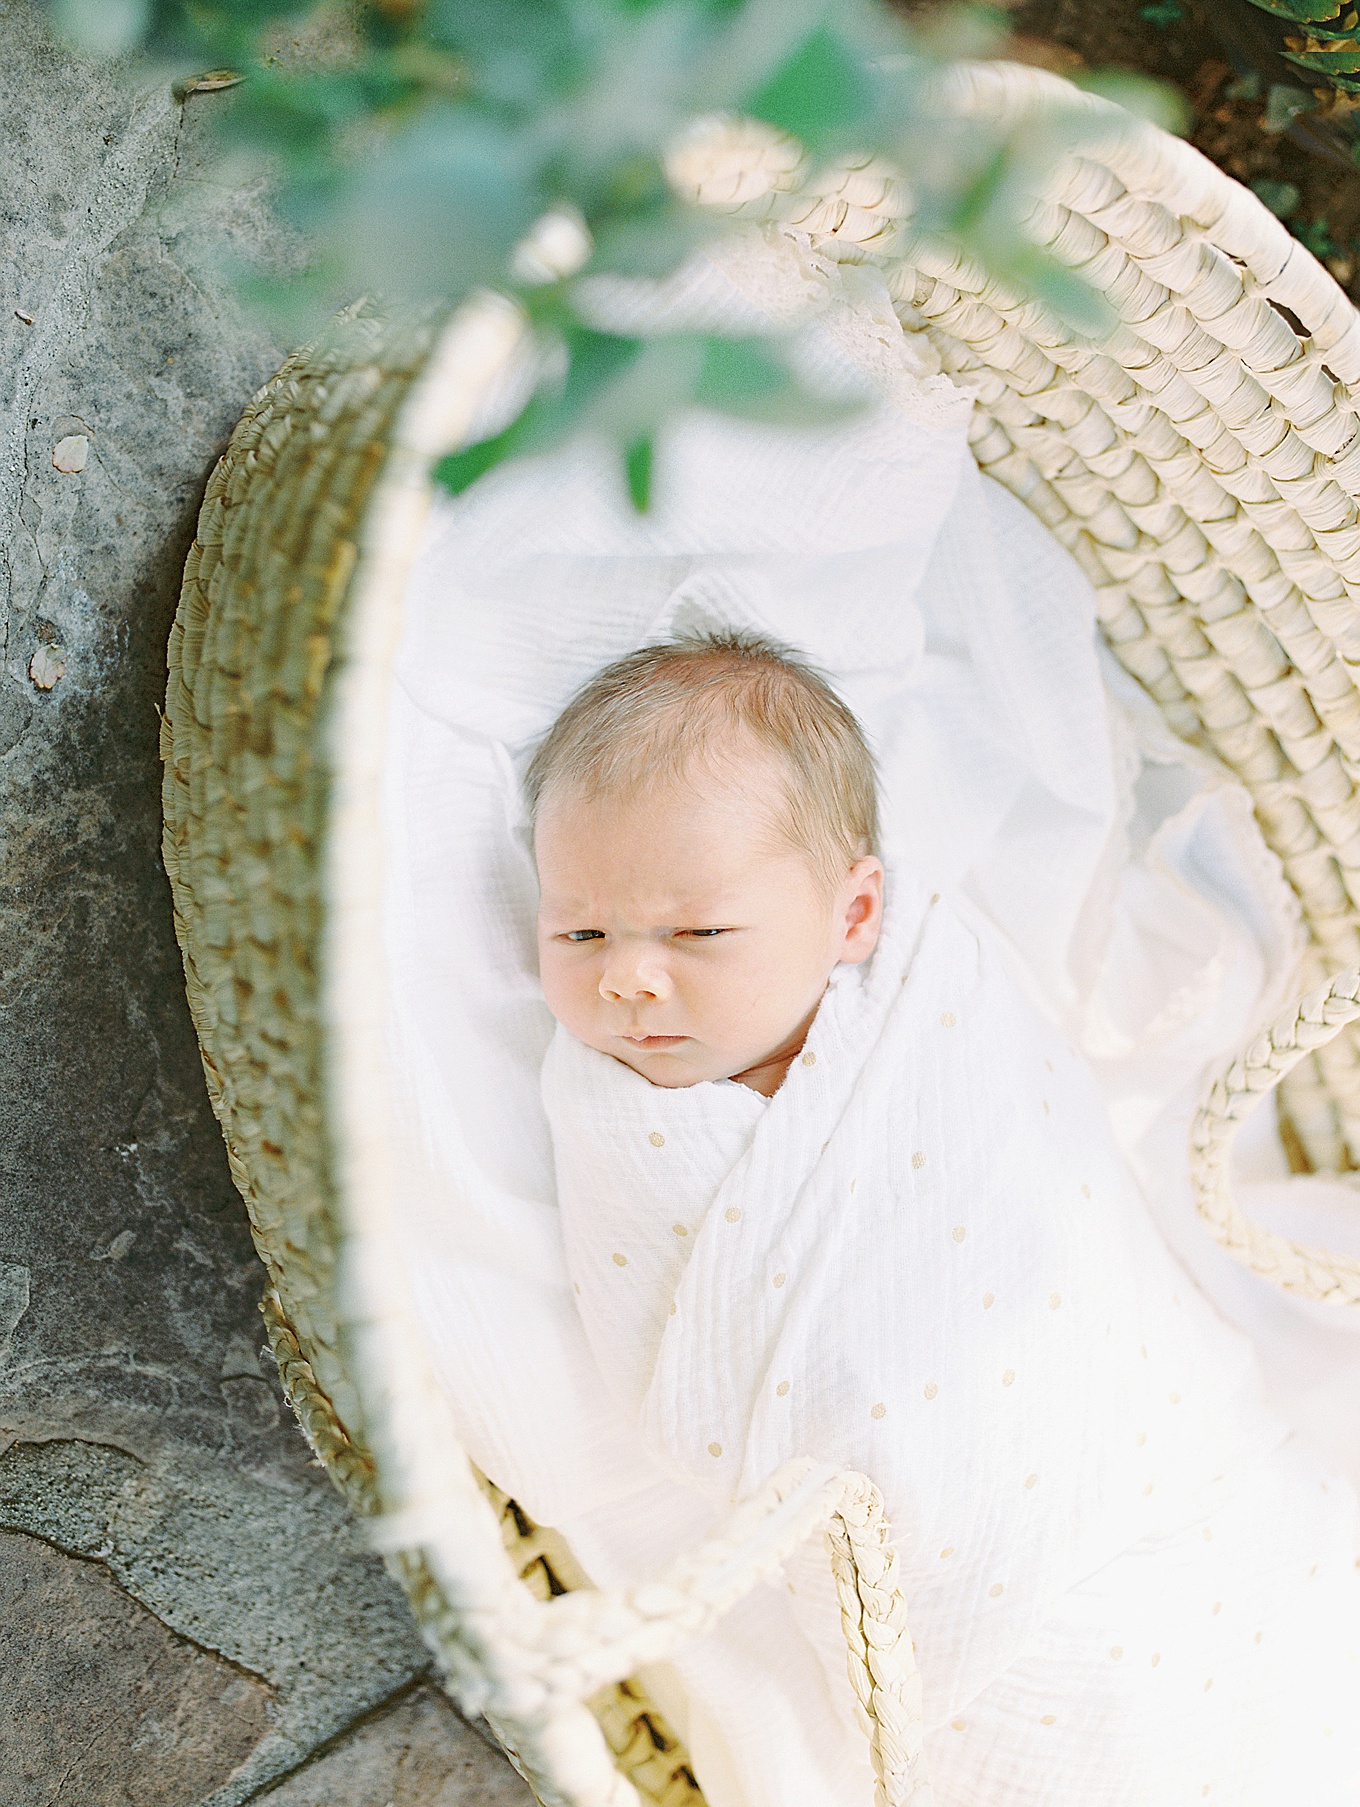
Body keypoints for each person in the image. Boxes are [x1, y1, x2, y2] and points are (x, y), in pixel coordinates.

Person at [528, 627, 1360, 1807]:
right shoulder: (619, 1122)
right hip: (980, 1599)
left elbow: (1053, 1185)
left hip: (1172, 1475)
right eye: (578, 931)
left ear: (854, 911)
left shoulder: (933, 1002)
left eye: (698, 932)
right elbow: (679, 1387)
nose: (627, 978)